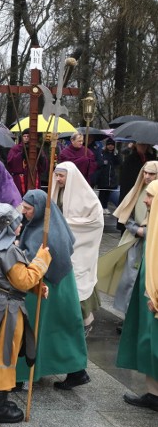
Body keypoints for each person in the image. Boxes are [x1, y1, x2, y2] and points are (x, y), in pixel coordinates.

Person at [0, 203, 50, 423]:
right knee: (1, 353)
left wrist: (36, 288)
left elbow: (8, 278)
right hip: (5, 309)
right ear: (7, 225)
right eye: (16, 221)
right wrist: (41, 260)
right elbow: (23, 279)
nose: (20, 223)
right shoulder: (8, 250)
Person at [16, 189, 89, 390]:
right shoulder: (48, 224)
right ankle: (76, 370)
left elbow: (39, 258)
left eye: (29, 209)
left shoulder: (46, 231)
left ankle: (21, 375)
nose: (24, 212)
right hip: (62, 284)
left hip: (46, 285)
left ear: (39, 209)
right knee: (60, 330)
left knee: (32, 327)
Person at [116, 179, 158, 411]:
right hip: (148, 291)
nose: (145, 200)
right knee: (147, 341)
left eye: (150, 196)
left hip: (155, 295)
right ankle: (154, 393)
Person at [51, 162, 103, 335]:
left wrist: (67, 224)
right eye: (56, 175)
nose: (58, 179)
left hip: (80, 247)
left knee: (79, 281)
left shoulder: (88, 196)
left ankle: (87, 320)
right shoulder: (57, 191)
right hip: (61, 244)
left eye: (61, 176)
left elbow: (96, 222)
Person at [111, 161, 158, 314]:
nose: (147, 176)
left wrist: (147, 232)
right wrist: (135, 228)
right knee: (129, 279)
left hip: (153, 243)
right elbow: (126, 214)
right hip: (135, 241)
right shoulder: (138, 191)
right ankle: (127, 315)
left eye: (151, 174)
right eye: (145, 173)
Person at [6, 131, 48, 195]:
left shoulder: (37, 149)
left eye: (28, 136)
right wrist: (22, 153)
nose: (26, 138)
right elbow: (11, 162)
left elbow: (44, 164)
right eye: (24, 136)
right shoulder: (16, 148)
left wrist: (39, 155)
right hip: (20, 178)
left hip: (33, 177)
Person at [95, 139, 120, 210]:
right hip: (103, 176)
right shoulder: (102, 153)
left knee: (108, 192)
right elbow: (98, 163)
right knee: (102, 192)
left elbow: (119, 163)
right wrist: (103, 162)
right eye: (109, 144)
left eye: (112, 145)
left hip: (111, 177)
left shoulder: (115, 154)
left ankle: (105, 207)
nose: (110, 146)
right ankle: (100, 207)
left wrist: (116, 155)